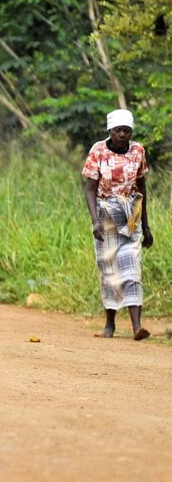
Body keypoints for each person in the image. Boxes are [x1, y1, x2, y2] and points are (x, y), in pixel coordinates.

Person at [82, 109, 153, 340]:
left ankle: (136, 327)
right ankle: (110, 324)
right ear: (110, 131)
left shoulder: (138, 151)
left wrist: (147, 226)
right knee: (109, 268)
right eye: (118, 130)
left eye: (127, 131)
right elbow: (90, 189)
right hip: (106, 213)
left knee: (132, 267)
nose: (123, 134)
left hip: (131, 212)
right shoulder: (98, 151)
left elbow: (141, 188)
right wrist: (94, 221)